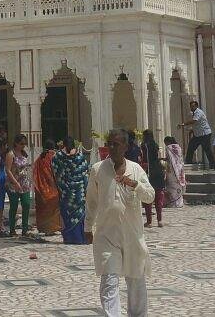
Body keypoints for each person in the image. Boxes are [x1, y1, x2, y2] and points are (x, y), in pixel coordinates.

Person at [85, 128, 154, 317]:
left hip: (132, 235)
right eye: (110, 144)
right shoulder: (98, 169)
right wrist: (87, 225)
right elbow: (91, 200)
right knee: (109, 280)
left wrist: (135, 185)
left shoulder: (136, 169)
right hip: (107, 235)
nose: (112, 148)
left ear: (125, 146)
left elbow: (150, 196)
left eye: (116, 144)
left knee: (136, 279)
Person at [51, 135, 89, 244]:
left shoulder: (58, 157)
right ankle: (80, 238)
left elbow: (56, 171)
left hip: (66, 191)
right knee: (79, 214)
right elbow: (85, 173)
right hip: (79, 191)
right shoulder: (80, 156)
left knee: (67, 214)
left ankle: (69, 238)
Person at [5, 133, 33, 236]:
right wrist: (15, 182)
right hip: (14, 184)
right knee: (14, 206)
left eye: (25, 144)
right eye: (21, 143)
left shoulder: (24, 154)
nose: (23, 146)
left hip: (24, 183)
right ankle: (12, 229)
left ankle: (25, 229)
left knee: (26, 204)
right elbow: (7, 170)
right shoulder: (11, 154)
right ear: (16, 143)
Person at [33, 139, 63, 235]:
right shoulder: (53, 156)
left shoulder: (40, 158)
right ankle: (53, 228)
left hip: (41, 188)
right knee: (55, 206)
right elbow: (57, 171)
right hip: (52, 187)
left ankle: (45, 228)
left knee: (43, 207)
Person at [139, 130, 166, 227]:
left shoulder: (144, 145)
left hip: (149, 171)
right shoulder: (155, 144)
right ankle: (160, 220)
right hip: (158, 170)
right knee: (158, 198)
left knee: (148, 197)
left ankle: (149, 221)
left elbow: (144, 158)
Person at [179, 100, 215, 167]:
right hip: (198, 135)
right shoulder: (193, 113)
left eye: (193, 106)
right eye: (191, 106)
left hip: (205, 134)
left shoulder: (198, 112)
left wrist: (183, 124)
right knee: (191, 147)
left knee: (207, 149)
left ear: (196, 106)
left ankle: (212, 164)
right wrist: (192, 130)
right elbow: (197, 125)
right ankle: (188, 161)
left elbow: (194, 121)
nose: (192, 108)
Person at [162, 135, 187, 208]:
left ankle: (173, 202)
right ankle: (179, 202)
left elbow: (170, 160)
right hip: (179, 169)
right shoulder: (178, 147)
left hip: (172, 171)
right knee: (178, 185)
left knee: (172, 186)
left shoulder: (169, 148)